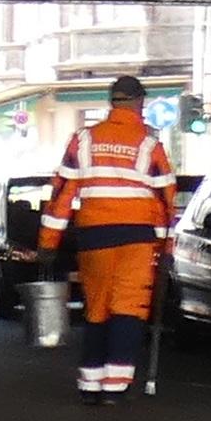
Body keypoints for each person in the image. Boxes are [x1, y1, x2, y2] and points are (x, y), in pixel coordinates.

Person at [45, 76, 178, 400]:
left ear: (111, 102)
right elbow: (165, 199)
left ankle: (90, 382)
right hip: (136, 238)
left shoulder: (84, 140)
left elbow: (62, 192)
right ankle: (115, 386)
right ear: (139, 103)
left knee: (97, 306)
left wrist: (48, 241)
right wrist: (165, 245)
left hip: (94, 235)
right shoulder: (150, 145)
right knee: (128, 306)